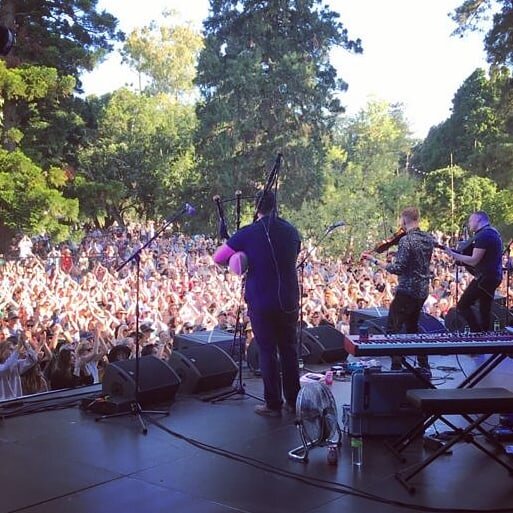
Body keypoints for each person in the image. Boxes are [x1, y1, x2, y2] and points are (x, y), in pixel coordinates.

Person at [214, 190, 301, 417]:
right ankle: (294, 401)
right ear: (276, 206)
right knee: (289, 350)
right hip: (289, 299)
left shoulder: (249, 232)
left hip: (262, 299)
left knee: (267, 350)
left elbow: (218, 257)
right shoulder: (292, 232)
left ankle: (273, 404)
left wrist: (239, 258)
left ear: (257, 208)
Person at [363, 207, 434, 371]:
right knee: (412, 327)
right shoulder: (428, 238)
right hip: (423, 290)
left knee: (392, 329)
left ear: (404, 220)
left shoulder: (406, 240)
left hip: (407, 290)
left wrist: (374, 260)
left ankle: (396, 366)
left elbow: (398, 268)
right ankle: (424, 364)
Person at [445, 211, 503, 332]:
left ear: (478, 220)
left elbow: (474, 260)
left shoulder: (484, 236)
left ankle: (476, 333)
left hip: (484, 278)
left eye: (471, 220)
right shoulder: (493, 233)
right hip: (493, 277)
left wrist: (453, 254)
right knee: (484, 309)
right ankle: (484, 337)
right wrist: (461, 259)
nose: (469, 224)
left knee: (462, 306)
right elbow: (484, 259)